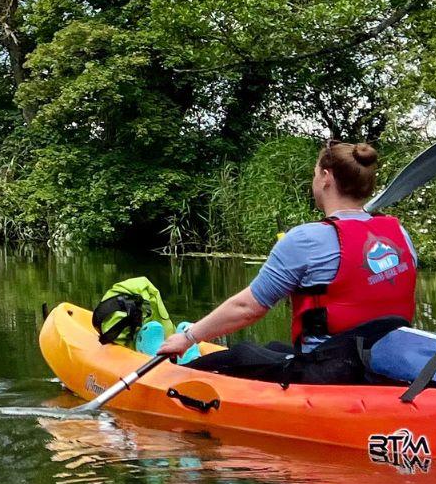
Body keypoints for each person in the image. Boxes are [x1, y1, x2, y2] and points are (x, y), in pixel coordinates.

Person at [154, 141, 417, 380]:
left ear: (326, 178)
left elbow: (247, 308)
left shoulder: (306, 239)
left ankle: (173, 362)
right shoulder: (400, 234)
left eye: (315, 174)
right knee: (273, 349)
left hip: (330, 371)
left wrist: (189, 337)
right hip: (382, 361)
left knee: (240, 354)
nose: (313, 180)